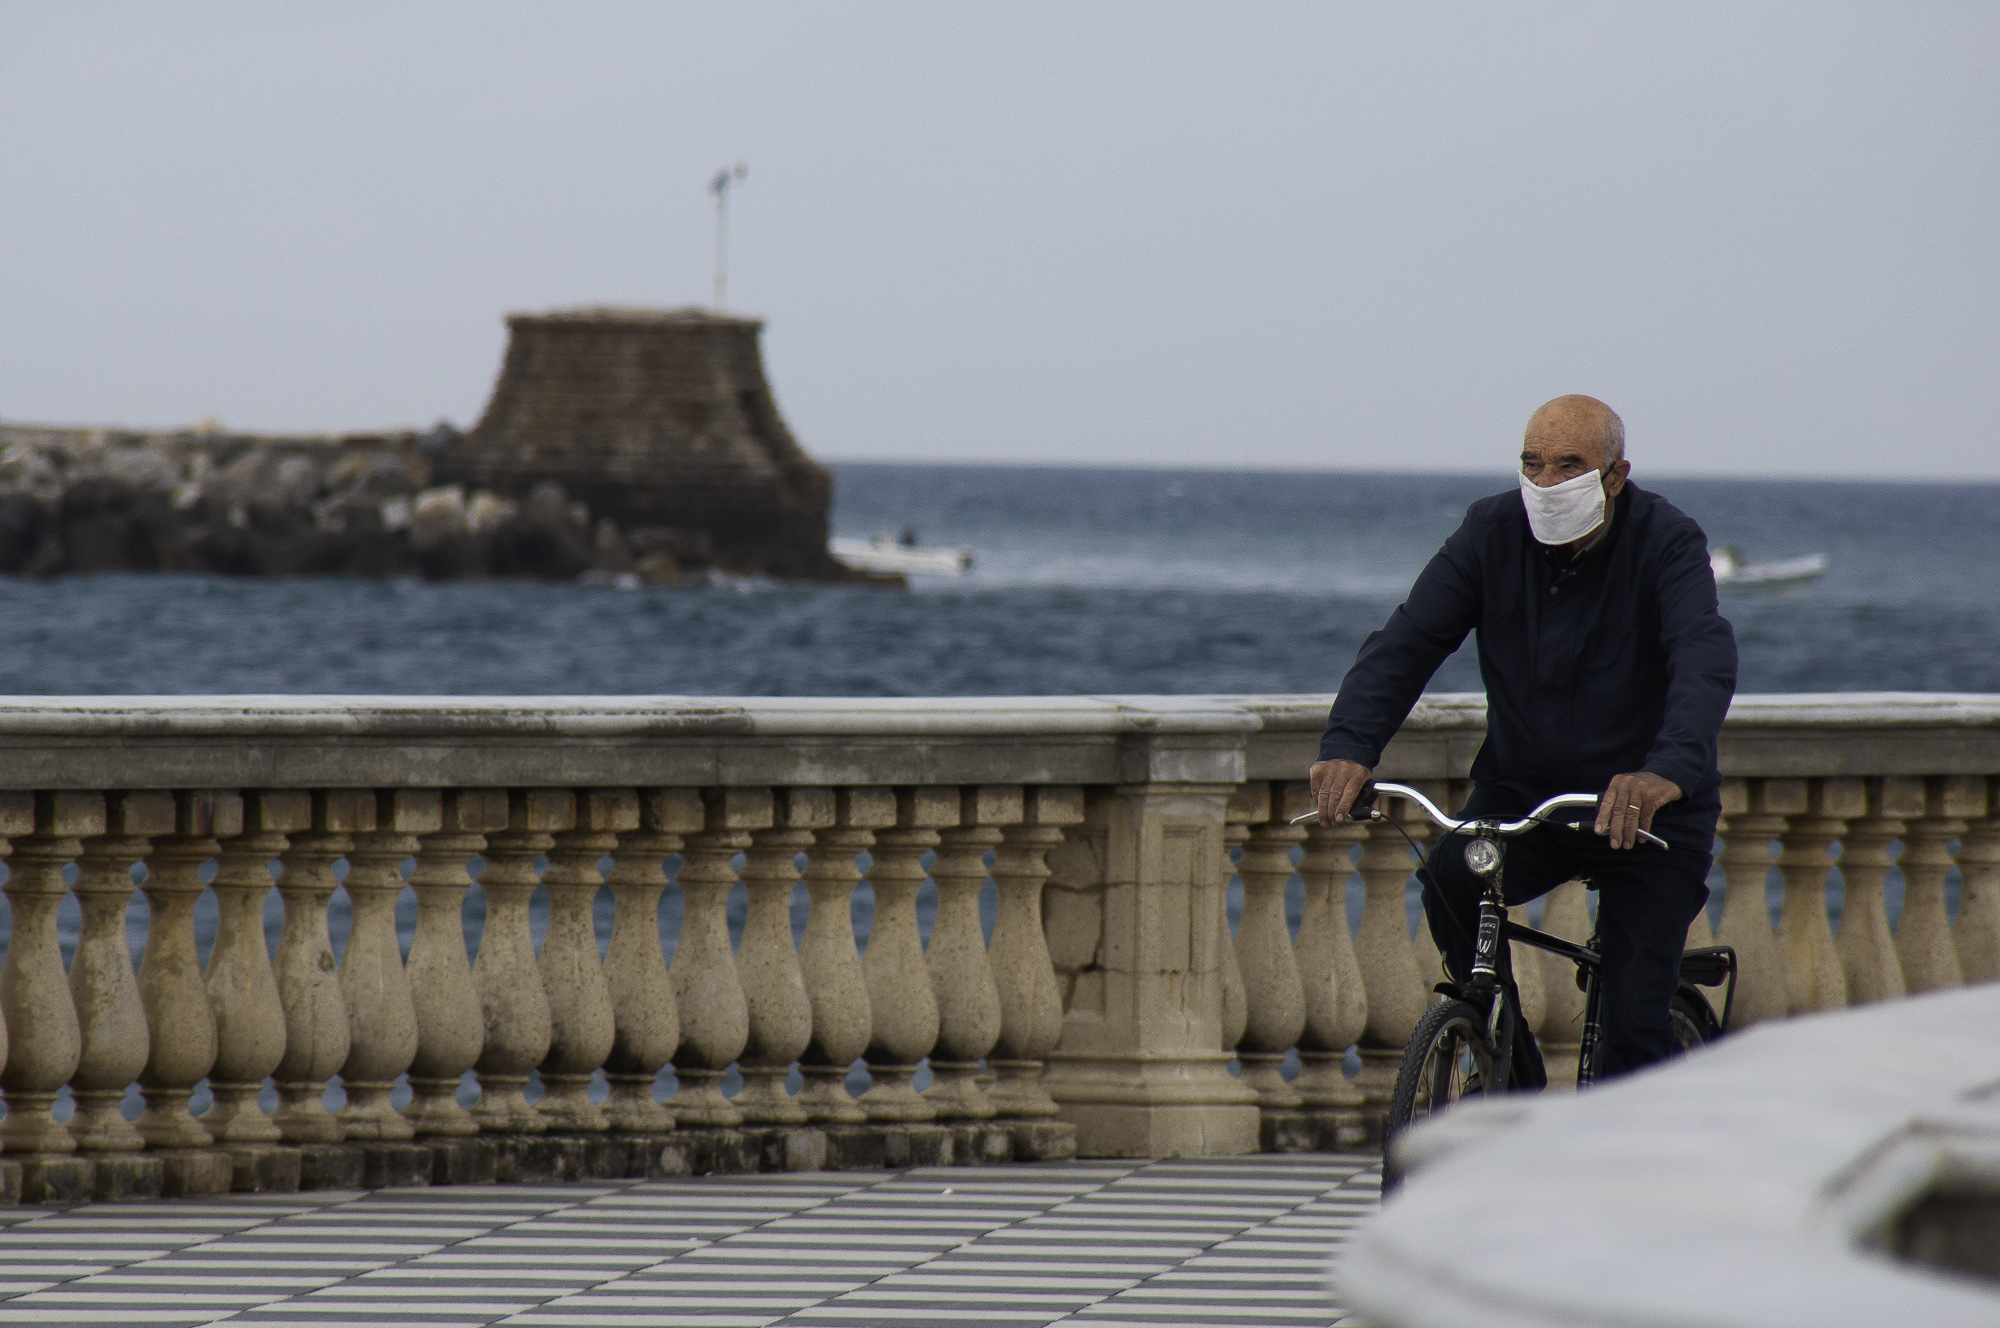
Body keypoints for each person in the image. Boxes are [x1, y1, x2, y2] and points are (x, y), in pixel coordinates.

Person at [1310, 395, 1737, 1079]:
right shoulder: (1491, 531)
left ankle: (1641, 1139)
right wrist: (1348, 747)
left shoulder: (1666, 540)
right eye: (1531, 464)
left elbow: (1702, 658)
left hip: (1645, 808)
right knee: (1450, 874)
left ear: (1615, 477)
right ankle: (1509, 1065)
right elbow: (1406, 643)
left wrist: (1668, 770)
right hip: (1525, 795)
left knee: (1632, 1023)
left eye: (1568, 466)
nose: (1545, 483)